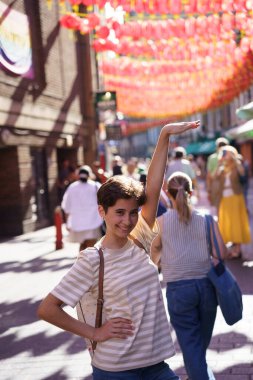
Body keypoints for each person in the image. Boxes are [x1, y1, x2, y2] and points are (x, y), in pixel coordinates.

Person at [37, 120, 200, 380]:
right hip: (115, 369)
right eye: (119, 213)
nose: (127, 220)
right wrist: (94, 333)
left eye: (133, 212)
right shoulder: (93, 259)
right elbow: (47, 308)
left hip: (156, 365)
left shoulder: (140, 241)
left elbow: (154, 186)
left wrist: (165, 134)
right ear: (102, 211)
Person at [152, 171, 228, 380]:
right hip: (206, 287)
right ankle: (199, 374)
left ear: (167, 194)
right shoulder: (207, 219)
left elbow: (153, 256)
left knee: (191, 345)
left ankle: (198, 375)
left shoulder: (161, 222)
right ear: (191, 192)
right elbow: (221, 253)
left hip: (178, 290)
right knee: (199, 344)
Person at [215, 145, 251, 258]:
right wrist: (220, 163)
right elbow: (215, 176)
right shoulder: (222, 168)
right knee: (226, 223)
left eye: (226, 153)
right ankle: (232, 247)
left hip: (236, 197)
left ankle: (238, 249)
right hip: (224, 198)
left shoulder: (237, 166)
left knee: (236, 223)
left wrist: (235, 159)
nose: (225, 155)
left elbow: (243, 174)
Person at [61, 165, 103, 251]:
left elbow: (66, 206)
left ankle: (83, 263)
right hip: (93, 221)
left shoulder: (72, 187)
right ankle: (89, 263)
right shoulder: (95, 186)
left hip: (77, 223)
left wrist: (67, 222)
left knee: (83, 246)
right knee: (91, 246)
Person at [206, 137, 229, 211]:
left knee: (219, 208)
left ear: (217, 146)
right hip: (228, 184)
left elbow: (209, 175)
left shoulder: (212, 158)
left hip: (216, 184)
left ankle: (220, 222)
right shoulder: (230, 157)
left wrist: (209, 190)